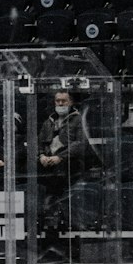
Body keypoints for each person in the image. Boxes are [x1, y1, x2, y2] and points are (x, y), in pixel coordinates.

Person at [37, 88, 89, 251]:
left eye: (63, 100)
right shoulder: (48, 122)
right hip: (50, 175)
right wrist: (41, 156)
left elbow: (81, 144)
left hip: (70, 173)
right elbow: (39, 144)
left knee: (68, 211)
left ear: (71, 102)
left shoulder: (78, 120)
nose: (60, 103)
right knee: (47, 209)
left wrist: (61, 157)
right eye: (57, 101)